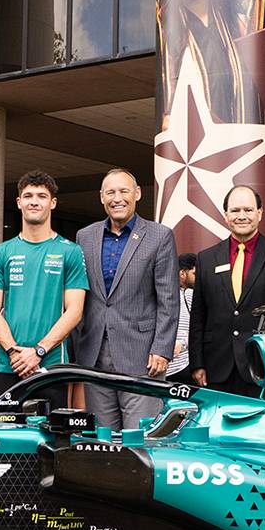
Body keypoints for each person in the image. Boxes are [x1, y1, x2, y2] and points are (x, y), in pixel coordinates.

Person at [72, 169, 178, 429]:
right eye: (110, 192)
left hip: (142, 356)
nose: (117, 198)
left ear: (137, 194)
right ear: (101, 197)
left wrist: (162, 349)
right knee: (103, 439)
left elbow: (168, 299)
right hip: (95, 356)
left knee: (140, 438)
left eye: (124, 191)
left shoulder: (159, 235)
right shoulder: (84, 237)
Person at [0, 171, 89, 399]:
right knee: (8, 435)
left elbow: (75, 311)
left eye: (41, 196)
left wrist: (39, 351)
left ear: (52, 203)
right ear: (19, 202)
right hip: (8, 365)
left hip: (51, 365)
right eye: (28, 195)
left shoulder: (70, 251)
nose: (34, 201)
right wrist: (14, 352)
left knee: (49, 434)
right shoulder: (1, 252)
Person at [189, 184, 265, 395]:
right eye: (235, 210)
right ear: (225, 215)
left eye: (248, 210)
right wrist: (197, 363)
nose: (242, 216)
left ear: (260, 213)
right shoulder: (206, 258)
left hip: (263, 366)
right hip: (215, 368)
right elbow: (198, 316)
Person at [167, 253, 198, 377]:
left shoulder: (187, 294)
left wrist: (182, 342)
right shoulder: (188, 294)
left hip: (179, 365)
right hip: (178, 367)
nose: (198, 278)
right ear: (182, 274)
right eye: (195, 274)